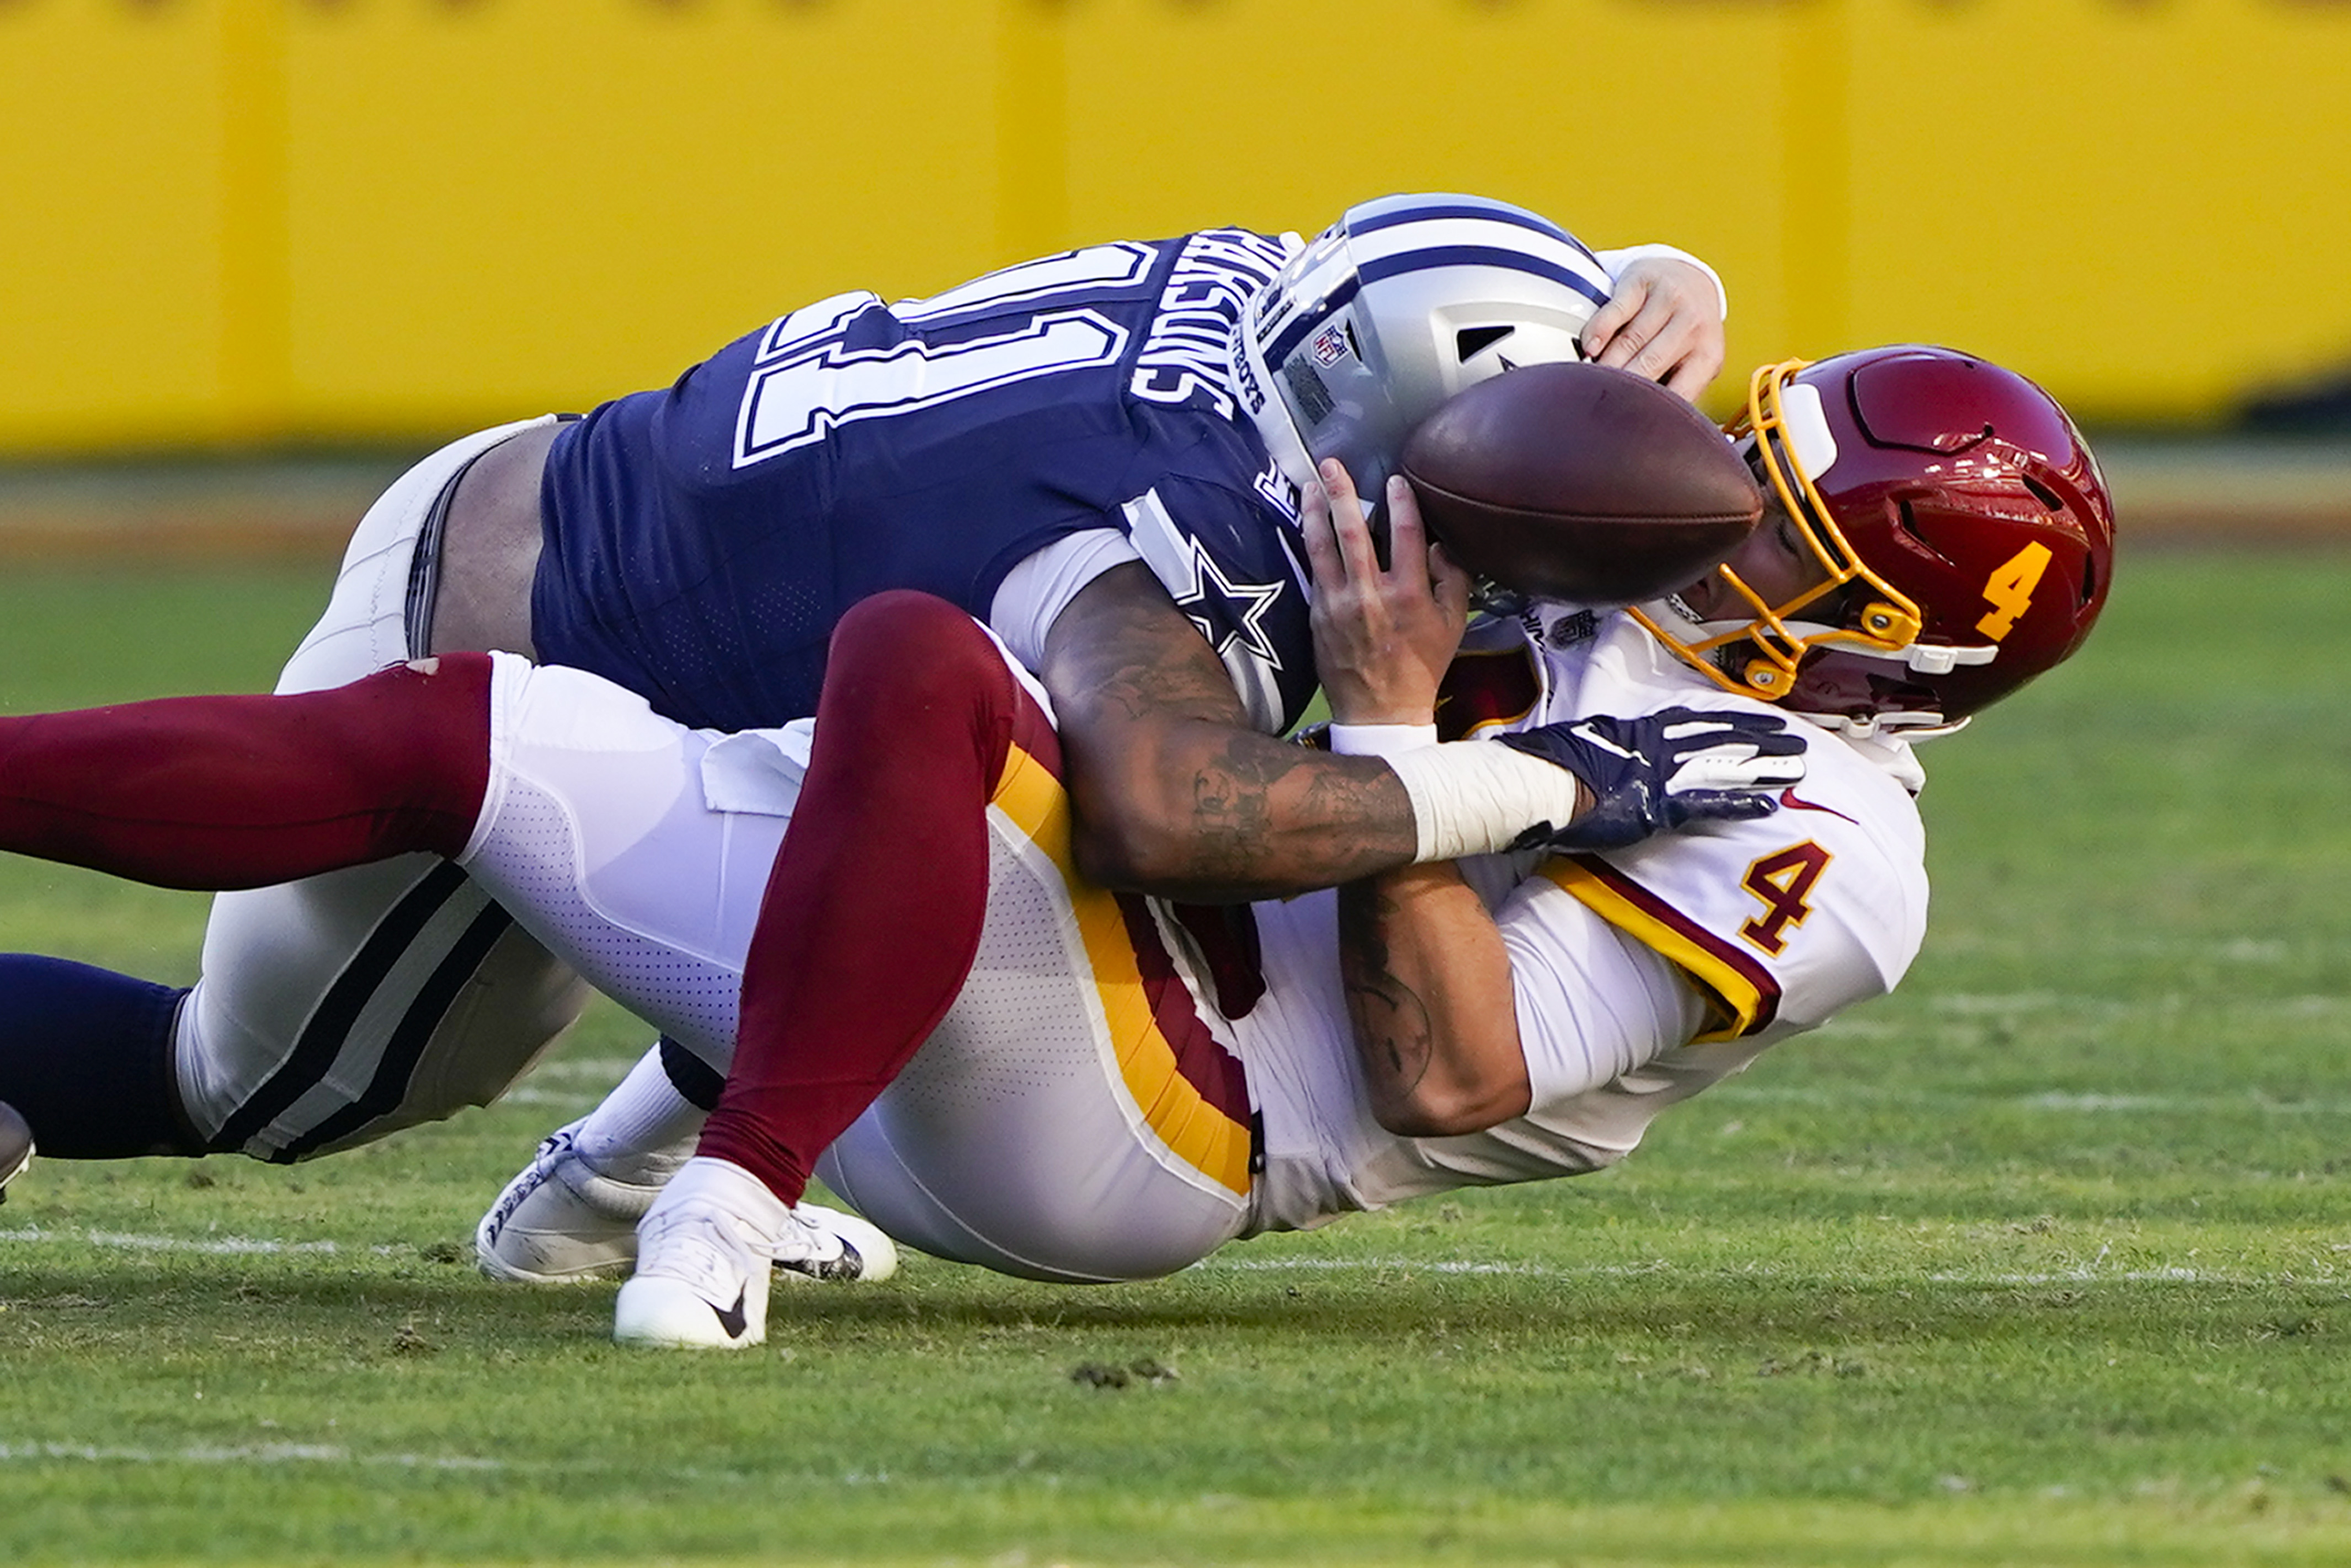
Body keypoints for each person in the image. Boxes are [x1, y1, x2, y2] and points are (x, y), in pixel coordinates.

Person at [0, 348, 2115, 1355]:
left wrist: (1390, 733)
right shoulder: (1629, 598)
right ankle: (620, 1181)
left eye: (1779, 531)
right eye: (1739, 463)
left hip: (1146, 1133)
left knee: (922, 675)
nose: (1712, 517)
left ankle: (712, 1211)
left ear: (1891, 646)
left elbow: (1448, 1068)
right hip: (988, 967)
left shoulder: (1832, 842)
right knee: (457, 737)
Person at [0, 193, 1729, 1179]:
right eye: (1503, 486)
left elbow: (1472, 292)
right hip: (531, 636)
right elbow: (1166, 814)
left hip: (554, 493)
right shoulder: (1167, 537)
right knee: (261, 1085)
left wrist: (1674, 280)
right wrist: (1521, 779)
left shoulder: (1278, 282)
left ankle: (684, 1166)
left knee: (877, 833)